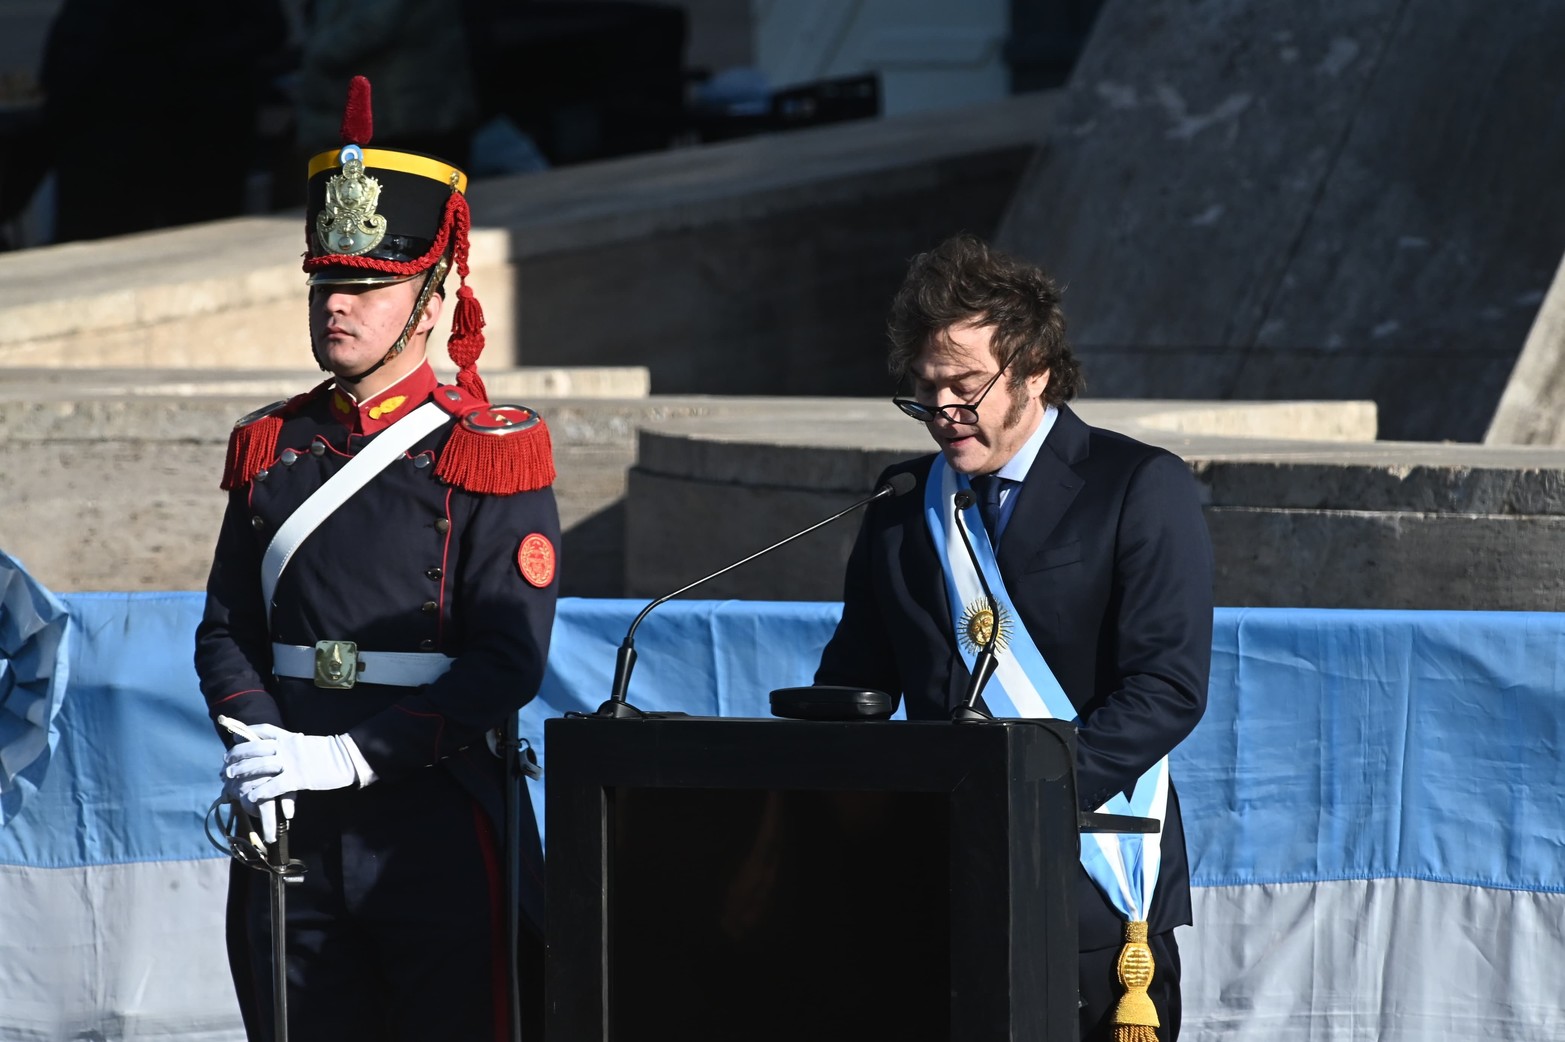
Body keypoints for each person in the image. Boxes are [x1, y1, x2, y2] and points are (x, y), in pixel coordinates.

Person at [194, 75, 558, 1042]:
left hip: (428, 814)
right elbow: (228, 628)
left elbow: (506, 659)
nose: (337, 308)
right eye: (325, 284)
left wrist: (350, 757)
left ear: (434, 301)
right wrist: (262, 751)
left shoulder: (490, 445)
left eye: (367, 286)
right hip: (289, 819)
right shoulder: (273, 444)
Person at [814, 233, 1212, 1041]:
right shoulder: (899, 510)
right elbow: (855, 682)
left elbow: (1165, 688)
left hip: (1087, 883)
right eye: (923, 393)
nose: (941, 414)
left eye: (964, 386)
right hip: (935, 879)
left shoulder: (1134, 486)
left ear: (1033, 369)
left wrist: (1024, 800)